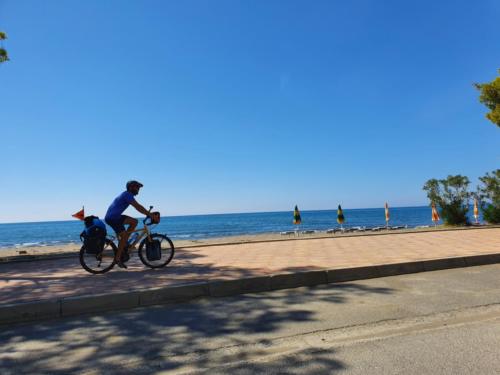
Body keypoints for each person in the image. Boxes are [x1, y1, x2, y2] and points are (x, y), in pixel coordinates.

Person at [105, 180, 152, 268]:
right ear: (130, 187)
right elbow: (137, 206)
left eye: (139, 188)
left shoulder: (126, 194)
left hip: (115, 217)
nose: (138, 189)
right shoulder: (127, 195)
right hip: (113, 218)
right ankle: (117, 259)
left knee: (134, 221)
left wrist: (147, 213)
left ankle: (124, 243)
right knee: (123, 236)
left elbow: (138, 207)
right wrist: (149, 214)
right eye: (136, 187)